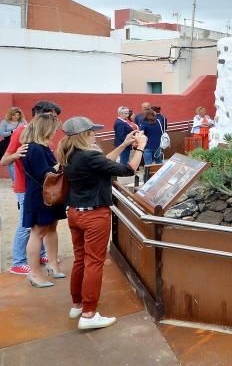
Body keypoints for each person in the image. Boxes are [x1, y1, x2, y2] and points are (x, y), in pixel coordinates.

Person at [59, 116, 146, 330]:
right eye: (92, 131)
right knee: (94, 262)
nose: (95, 133)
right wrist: (140, 148)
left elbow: (104, 162)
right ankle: (89, 314)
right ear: (85, 135)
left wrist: (125, 144)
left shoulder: (70, 154)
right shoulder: (89, 156)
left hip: (75, 213)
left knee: (81, 260)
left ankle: (78, 305)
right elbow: (129, 169)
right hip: (94, 215)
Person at [0, 100, 61, 275]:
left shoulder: (40, 135)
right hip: (27, 186)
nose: (55, 121)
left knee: (43, 225)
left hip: (41, 185)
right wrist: (17, 155)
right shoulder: (22, 131)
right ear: (40, 116)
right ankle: (19, 261)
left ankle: (41, 254)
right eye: (52, 117)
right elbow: (4, 160)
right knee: (27, 225)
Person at [20, 113, 66, 287]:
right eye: (53, 128)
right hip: (40, 195)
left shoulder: (41, 146)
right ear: (45, 128)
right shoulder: (35, 148)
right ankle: (34, 273)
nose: (55, 132)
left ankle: (52, 265)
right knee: (38, 232)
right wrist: (62, 162)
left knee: (52, 227)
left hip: (49, 194)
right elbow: (45, 174)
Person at [0, 107, 26, 180]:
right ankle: (15, 181)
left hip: (19, 142)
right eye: (14, 115)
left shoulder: (21, 122)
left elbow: (28, 128)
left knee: (20, 160)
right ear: (10, 115)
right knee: (11, 163)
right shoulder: (4, 122)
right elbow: (2, 133)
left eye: (18, 115)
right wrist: (12, 131)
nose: (16, 117)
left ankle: (20, 179)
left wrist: (23, 119)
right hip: (7, 142)